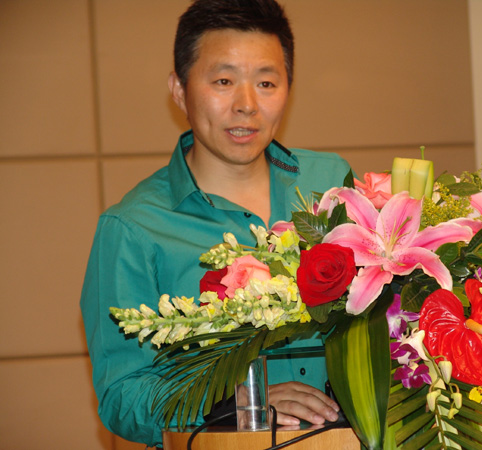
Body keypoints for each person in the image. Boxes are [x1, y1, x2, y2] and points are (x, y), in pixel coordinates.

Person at [80, 0, 351, 447]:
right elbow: (122, 396)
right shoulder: (133, 228)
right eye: (223, 81)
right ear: (180, 89)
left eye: (266, 83)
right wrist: (239, 404)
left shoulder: (330, 184)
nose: (246, 105)